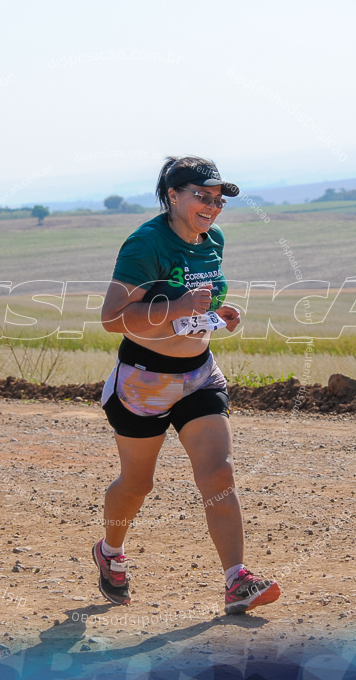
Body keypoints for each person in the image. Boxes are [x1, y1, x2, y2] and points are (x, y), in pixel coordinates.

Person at [92, 156, 280, 615]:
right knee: (138, 485)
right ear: (173, 196)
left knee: (219, 472)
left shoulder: (211, 239)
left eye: (218, 200)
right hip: (144, 380)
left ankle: (237, 581)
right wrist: (175, 307)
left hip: (198, 375)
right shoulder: (145, 243)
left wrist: (218, 314)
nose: (212, 208)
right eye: (202, 196)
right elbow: (112, 318)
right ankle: (110, 551)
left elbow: (198, 304)